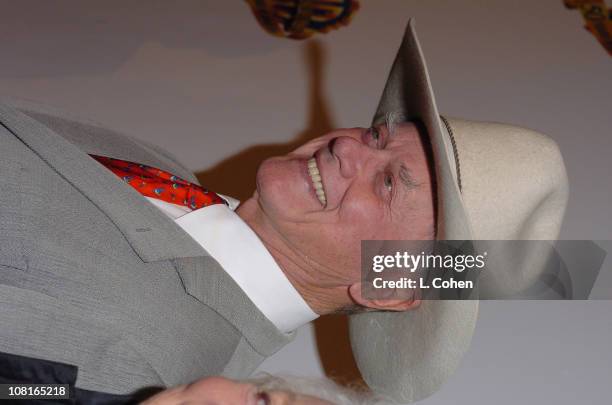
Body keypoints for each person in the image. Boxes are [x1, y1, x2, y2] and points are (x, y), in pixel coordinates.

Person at [0, 20, 568, 404]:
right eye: (377, 137)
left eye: (392, 181)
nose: (349, 146)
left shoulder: (142, 377)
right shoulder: (161, 166)